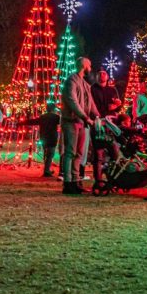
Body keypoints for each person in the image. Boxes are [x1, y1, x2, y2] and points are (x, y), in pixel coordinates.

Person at [60, 56, 100, 195]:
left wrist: (98, 116)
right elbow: (72, 101)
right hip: (71, 121)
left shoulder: (84, 84)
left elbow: (91, 103)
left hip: (81, 122)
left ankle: (76, 180)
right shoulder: (71, 80)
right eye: (90, 66)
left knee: (79, 153)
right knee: (70, 152)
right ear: (84, 66)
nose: (91, 68)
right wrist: (85, 116)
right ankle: (68, 182)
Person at [38, 102, 60, 177]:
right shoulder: (56, 117)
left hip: (44, 138)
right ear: (53, 109)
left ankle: (47, 170)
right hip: (52, 138)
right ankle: (46, 171)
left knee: (46, 154)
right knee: (50, 154)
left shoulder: (42, 117)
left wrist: (21, 123)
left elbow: (33, 121)